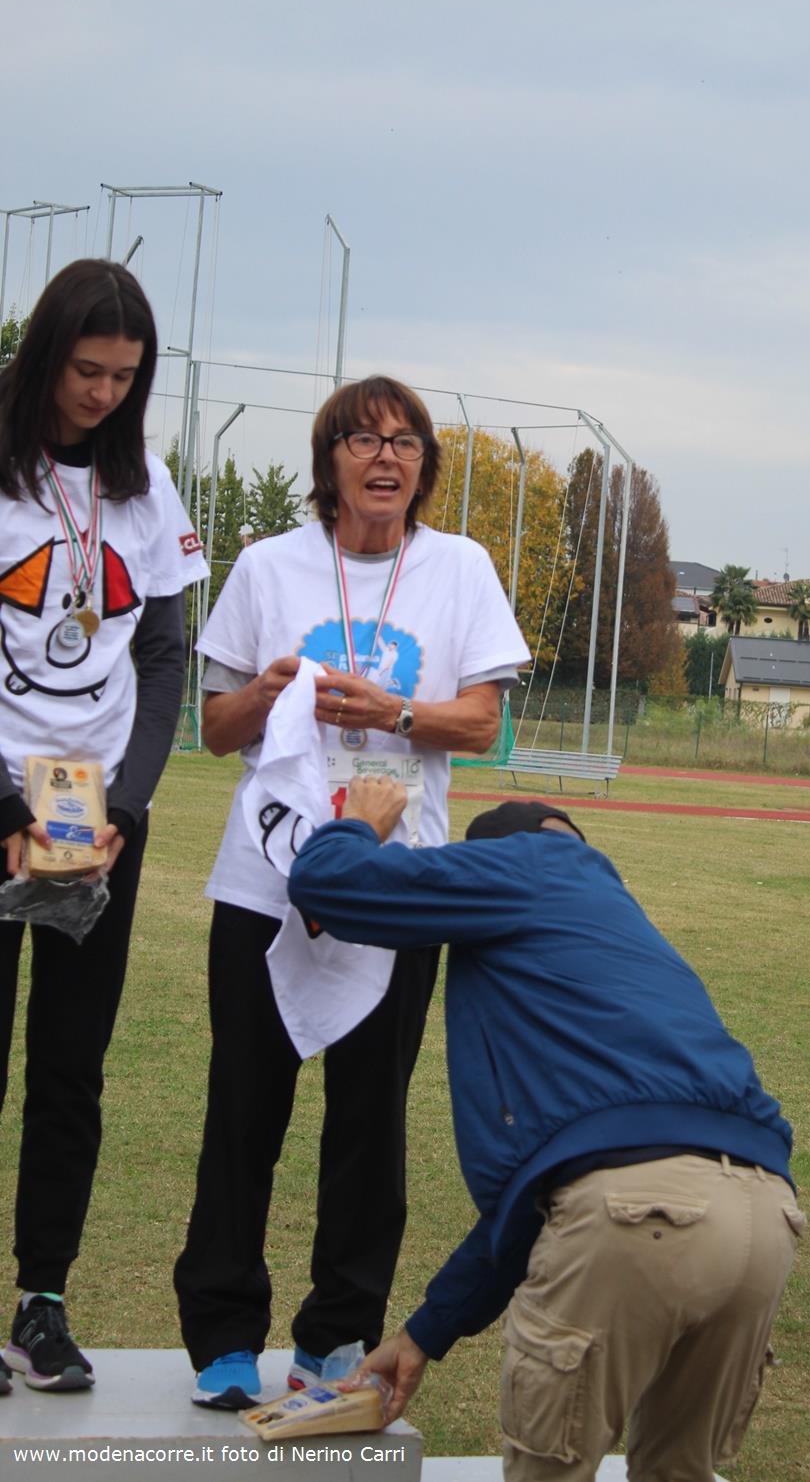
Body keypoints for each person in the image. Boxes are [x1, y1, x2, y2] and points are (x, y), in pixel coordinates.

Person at [174, 376, 530, 1409]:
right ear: (328, 459)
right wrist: (264, 694)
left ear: (425, 467)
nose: (387, 457)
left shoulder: (459, 567)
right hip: (268, 878)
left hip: (397, 886)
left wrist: (393, 712)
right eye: (365, 440)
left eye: (406, 442)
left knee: (370, 1119)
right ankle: (222, 1334)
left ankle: (337, 1333)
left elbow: (482, 725)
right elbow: (215, 729)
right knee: (244, 1106)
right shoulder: (267, 566)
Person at [287, 783, 801, 1482]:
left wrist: (359, 826)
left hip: (637, 1210)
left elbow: (328, 884)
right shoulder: (618, 920)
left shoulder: (525, 860)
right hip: (765, 1216)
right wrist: (422, 1336)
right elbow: (551, 1194)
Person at [0, 259, 206, 1393]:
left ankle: (43, 1301)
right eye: (86, 370)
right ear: (46, 354)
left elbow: (166, 658)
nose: (103, 393)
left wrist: (125, 806)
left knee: (71, 1067)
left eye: (125, 377)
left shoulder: (144, 486)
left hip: (100, 817)